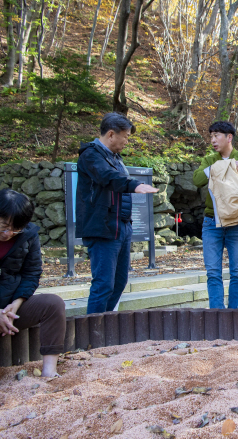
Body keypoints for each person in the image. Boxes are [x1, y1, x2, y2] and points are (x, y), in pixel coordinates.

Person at [76, 112, 159, 314]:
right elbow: (107, 177)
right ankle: (94, 331)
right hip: (102, 227)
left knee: (119, 282)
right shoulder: (91, 155)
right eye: (126, 136)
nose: (127, 141)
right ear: (111, 134)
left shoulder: (115, 157)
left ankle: (106, 323)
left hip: (121, 227)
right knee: (103, 284)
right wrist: (134, 185)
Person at [192, 121, 238, 309]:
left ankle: (234, 315)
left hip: (237, 223)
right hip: (212, 223)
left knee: (237, 273)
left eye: (216, 135)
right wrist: (225, 167)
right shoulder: (210, 160)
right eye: (211, 136)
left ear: (229, 137)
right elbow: (197, 179)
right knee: (213, 273)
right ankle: (217, 316)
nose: (213, 140)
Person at [0, 189, 65, 377]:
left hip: (11, 308)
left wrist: (16, 303)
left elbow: (32, 273)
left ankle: (49, 372)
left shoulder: (28, 235)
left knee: (53, 304)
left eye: (15, 229)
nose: (8, 233)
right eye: (4, 225)